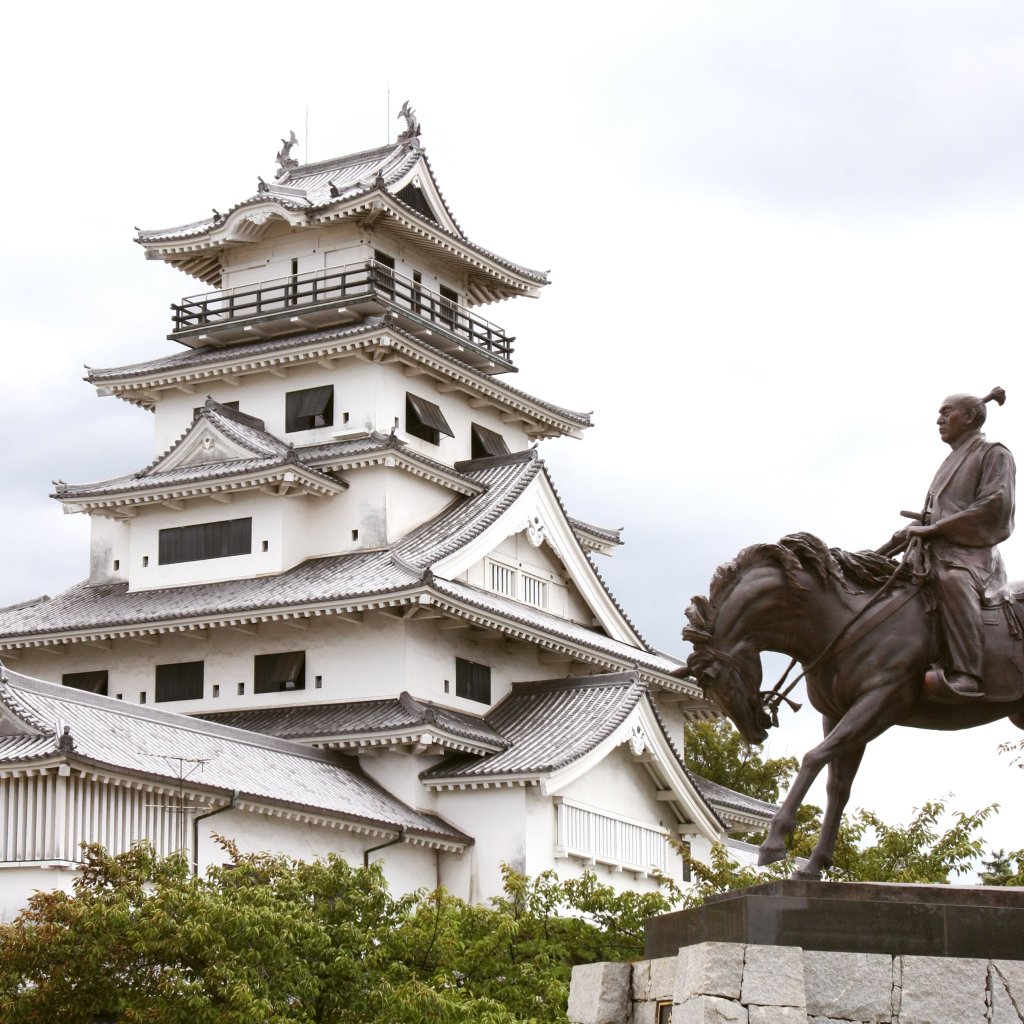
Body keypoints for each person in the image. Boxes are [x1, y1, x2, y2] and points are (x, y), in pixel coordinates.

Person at [894, 387, 1015, 701]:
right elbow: (927, 517)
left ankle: (967, 672)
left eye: (946, 412)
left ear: (970, 416)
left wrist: (937, 528)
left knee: (952, 581)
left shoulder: (994, 453)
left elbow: (995, 506)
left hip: (971, 557)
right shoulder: (950, 462)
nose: (939, 420)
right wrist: (887, 547)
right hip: (934, 551)